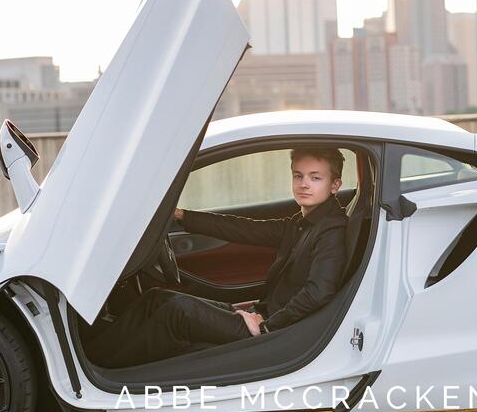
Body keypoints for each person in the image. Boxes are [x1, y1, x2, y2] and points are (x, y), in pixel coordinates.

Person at [85, 148, 348, 368]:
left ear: (335, 185)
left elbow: (318, 292)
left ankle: (101, 370)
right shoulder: (303, 224)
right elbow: (243, 229)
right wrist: (180, 216)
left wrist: (267, 326)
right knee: (159, 298)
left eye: (315, 178)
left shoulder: (332, 230)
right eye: (298, 176)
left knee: (178, 312)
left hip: (279, 330)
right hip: (263, 314)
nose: (303, 184)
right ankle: (91, 354)